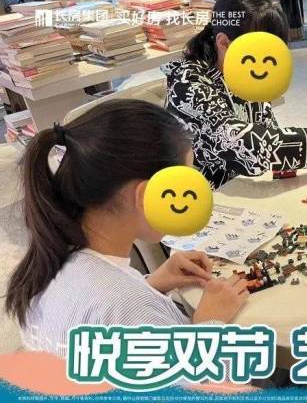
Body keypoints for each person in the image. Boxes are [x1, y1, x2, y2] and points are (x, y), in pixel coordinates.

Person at [4, 100, 255, 358]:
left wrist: (151, 285)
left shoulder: (51, 260)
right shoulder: (127, 308)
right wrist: (210, 324)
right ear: (146, 196)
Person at [164, 0, 307, 189]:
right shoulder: (188, 83)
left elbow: (268, 132)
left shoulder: (246, 72)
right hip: (202, 195)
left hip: (247, 185)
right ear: (223, 43)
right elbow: (248, 146)